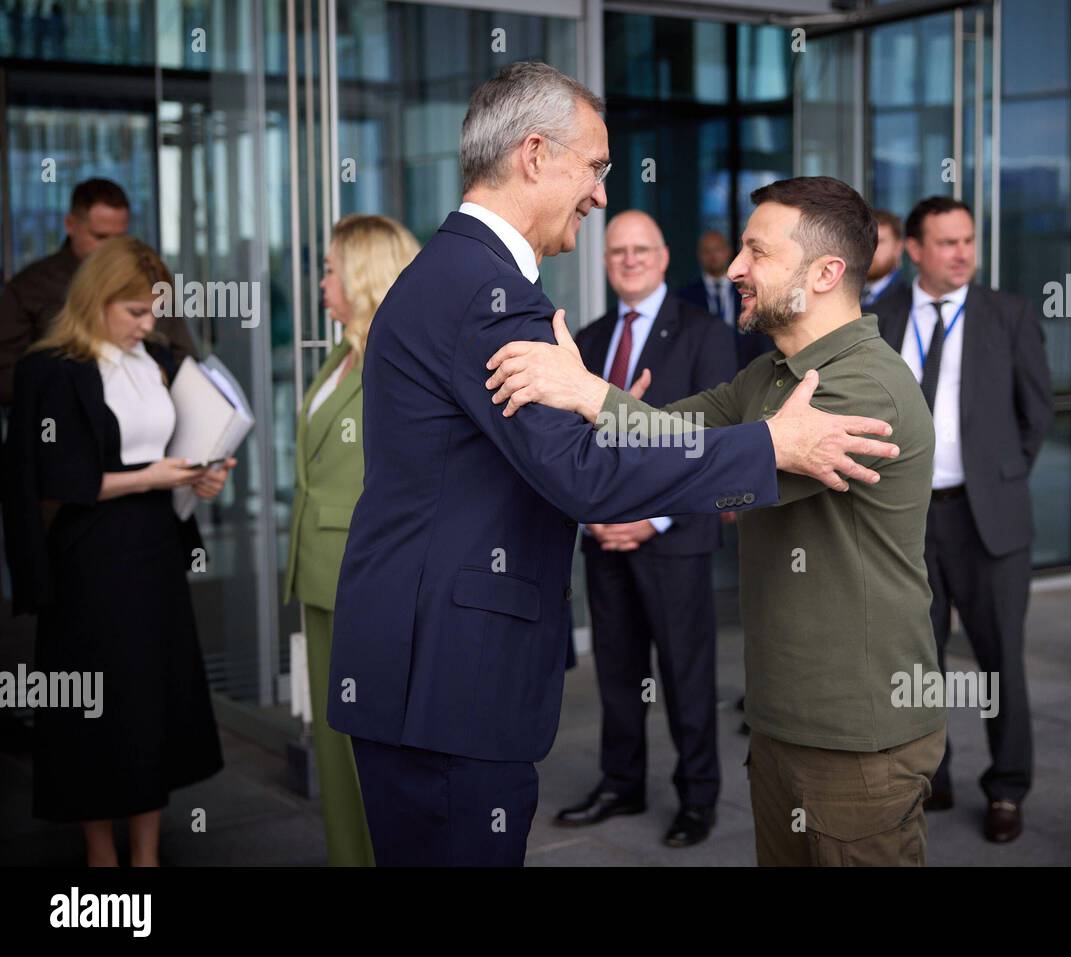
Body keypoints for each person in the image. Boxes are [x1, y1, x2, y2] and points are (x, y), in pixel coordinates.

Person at [326, 64, 897, 868]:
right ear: (533, 155)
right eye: (594, 166)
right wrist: (769, 446)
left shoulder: (447, 276)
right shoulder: (492, 297)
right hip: (449, 681)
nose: (600, 193)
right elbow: (586, 474)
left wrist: (593, 396)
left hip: (417, 667)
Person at [487, 175, 948, 867]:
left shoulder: (865, 386)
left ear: (826, 273)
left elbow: (709, 468)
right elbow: (670, 433)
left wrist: (587, 394)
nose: (733, 267)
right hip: (783, 724)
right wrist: (597, 400)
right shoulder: (770, 375)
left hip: (859, 738)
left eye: (756, 251)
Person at [1, 236, 233, 866]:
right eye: (134, 311)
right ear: (97, 300)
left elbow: (179, 447)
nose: (148, 324)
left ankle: (148, 855)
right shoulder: (47, 370)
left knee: (148, 704)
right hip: (89, 561)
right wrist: (150, 478)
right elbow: (49, 481)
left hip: (156, 551)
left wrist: (199, 475)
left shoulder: (156, 359)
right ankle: (102, 858)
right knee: (94, 715)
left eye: (153, 310)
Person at [553, 210, 736, 847]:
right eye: (617, 251)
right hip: (604, 538)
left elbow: (712, 445)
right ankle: (621, 783)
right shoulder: (590, 337)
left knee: (687, 674)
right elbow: (574, 439)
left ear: (663, 257)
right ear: (606, 262)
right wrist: (597, 512)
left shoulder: (706, 333)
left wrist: (651, 517)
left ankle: (697, 798)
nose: (629, 260)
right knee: (617, 670)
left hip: (676, 539)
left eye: (641, 249)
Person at [874, 196, 1052, 843]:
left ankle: (1007, 787)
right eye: (947, 242)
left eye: (968, 240)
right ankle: (931, 773)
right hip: (906, 520)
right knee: (919, 659)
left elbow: (1036, 415)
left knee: (1000, 658)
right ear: (914, 250)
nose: (962, 254)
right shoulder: (882, 314)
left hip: (987, 523)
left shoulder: (1009, 314)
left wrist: (997, 478)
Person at [283, 214, 419, 866]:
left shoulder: (395, 363)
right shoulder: (342, 353)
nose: (321, 281)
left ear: (364, 277)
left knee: (371, 749)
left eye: (332, 268)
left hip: (361, 575)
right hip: (318, 572)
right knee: (336, 750)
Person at [0, 179, 196, 407]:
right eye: (100, 237)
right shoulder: (33, 286)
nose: (111, 249)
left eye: (119, 238)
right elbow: (5, 375)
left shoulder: (148, 280)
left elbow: (183, 359)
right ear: (70, 225)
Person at [678, 229, 773, 366]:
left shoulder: (751, 291)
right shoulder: (685, 296)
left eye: (717, 249)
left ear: (728, 251)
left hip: (747, 366)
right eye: (707, 251)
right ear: (699, 255)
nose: (713, 255)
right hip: (703, 367)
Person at [861, 209, 903, 308]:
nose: (870, 248)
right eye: (864, 241)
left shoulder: (908, 302)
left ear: (898, 248)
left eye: (879, 242)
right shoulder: (845, 294)